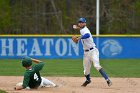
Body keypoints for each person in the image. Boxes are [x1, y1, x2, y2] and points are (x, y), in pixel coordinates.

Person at [73, 17, 112, 87]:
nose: (81, 23)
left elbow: (87, 35)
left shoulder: (86, 30)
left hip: (93, 51)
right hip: (86, 53)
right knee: (86, 71)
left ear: (85, 23)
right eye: (80, 22)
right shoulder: (82, 29)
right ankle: (88, 80)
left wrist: (79, 38)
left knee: (97, 65)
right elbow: (81, 29)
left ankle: (107, 80)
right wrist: (77, 27)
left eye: (82, 22)